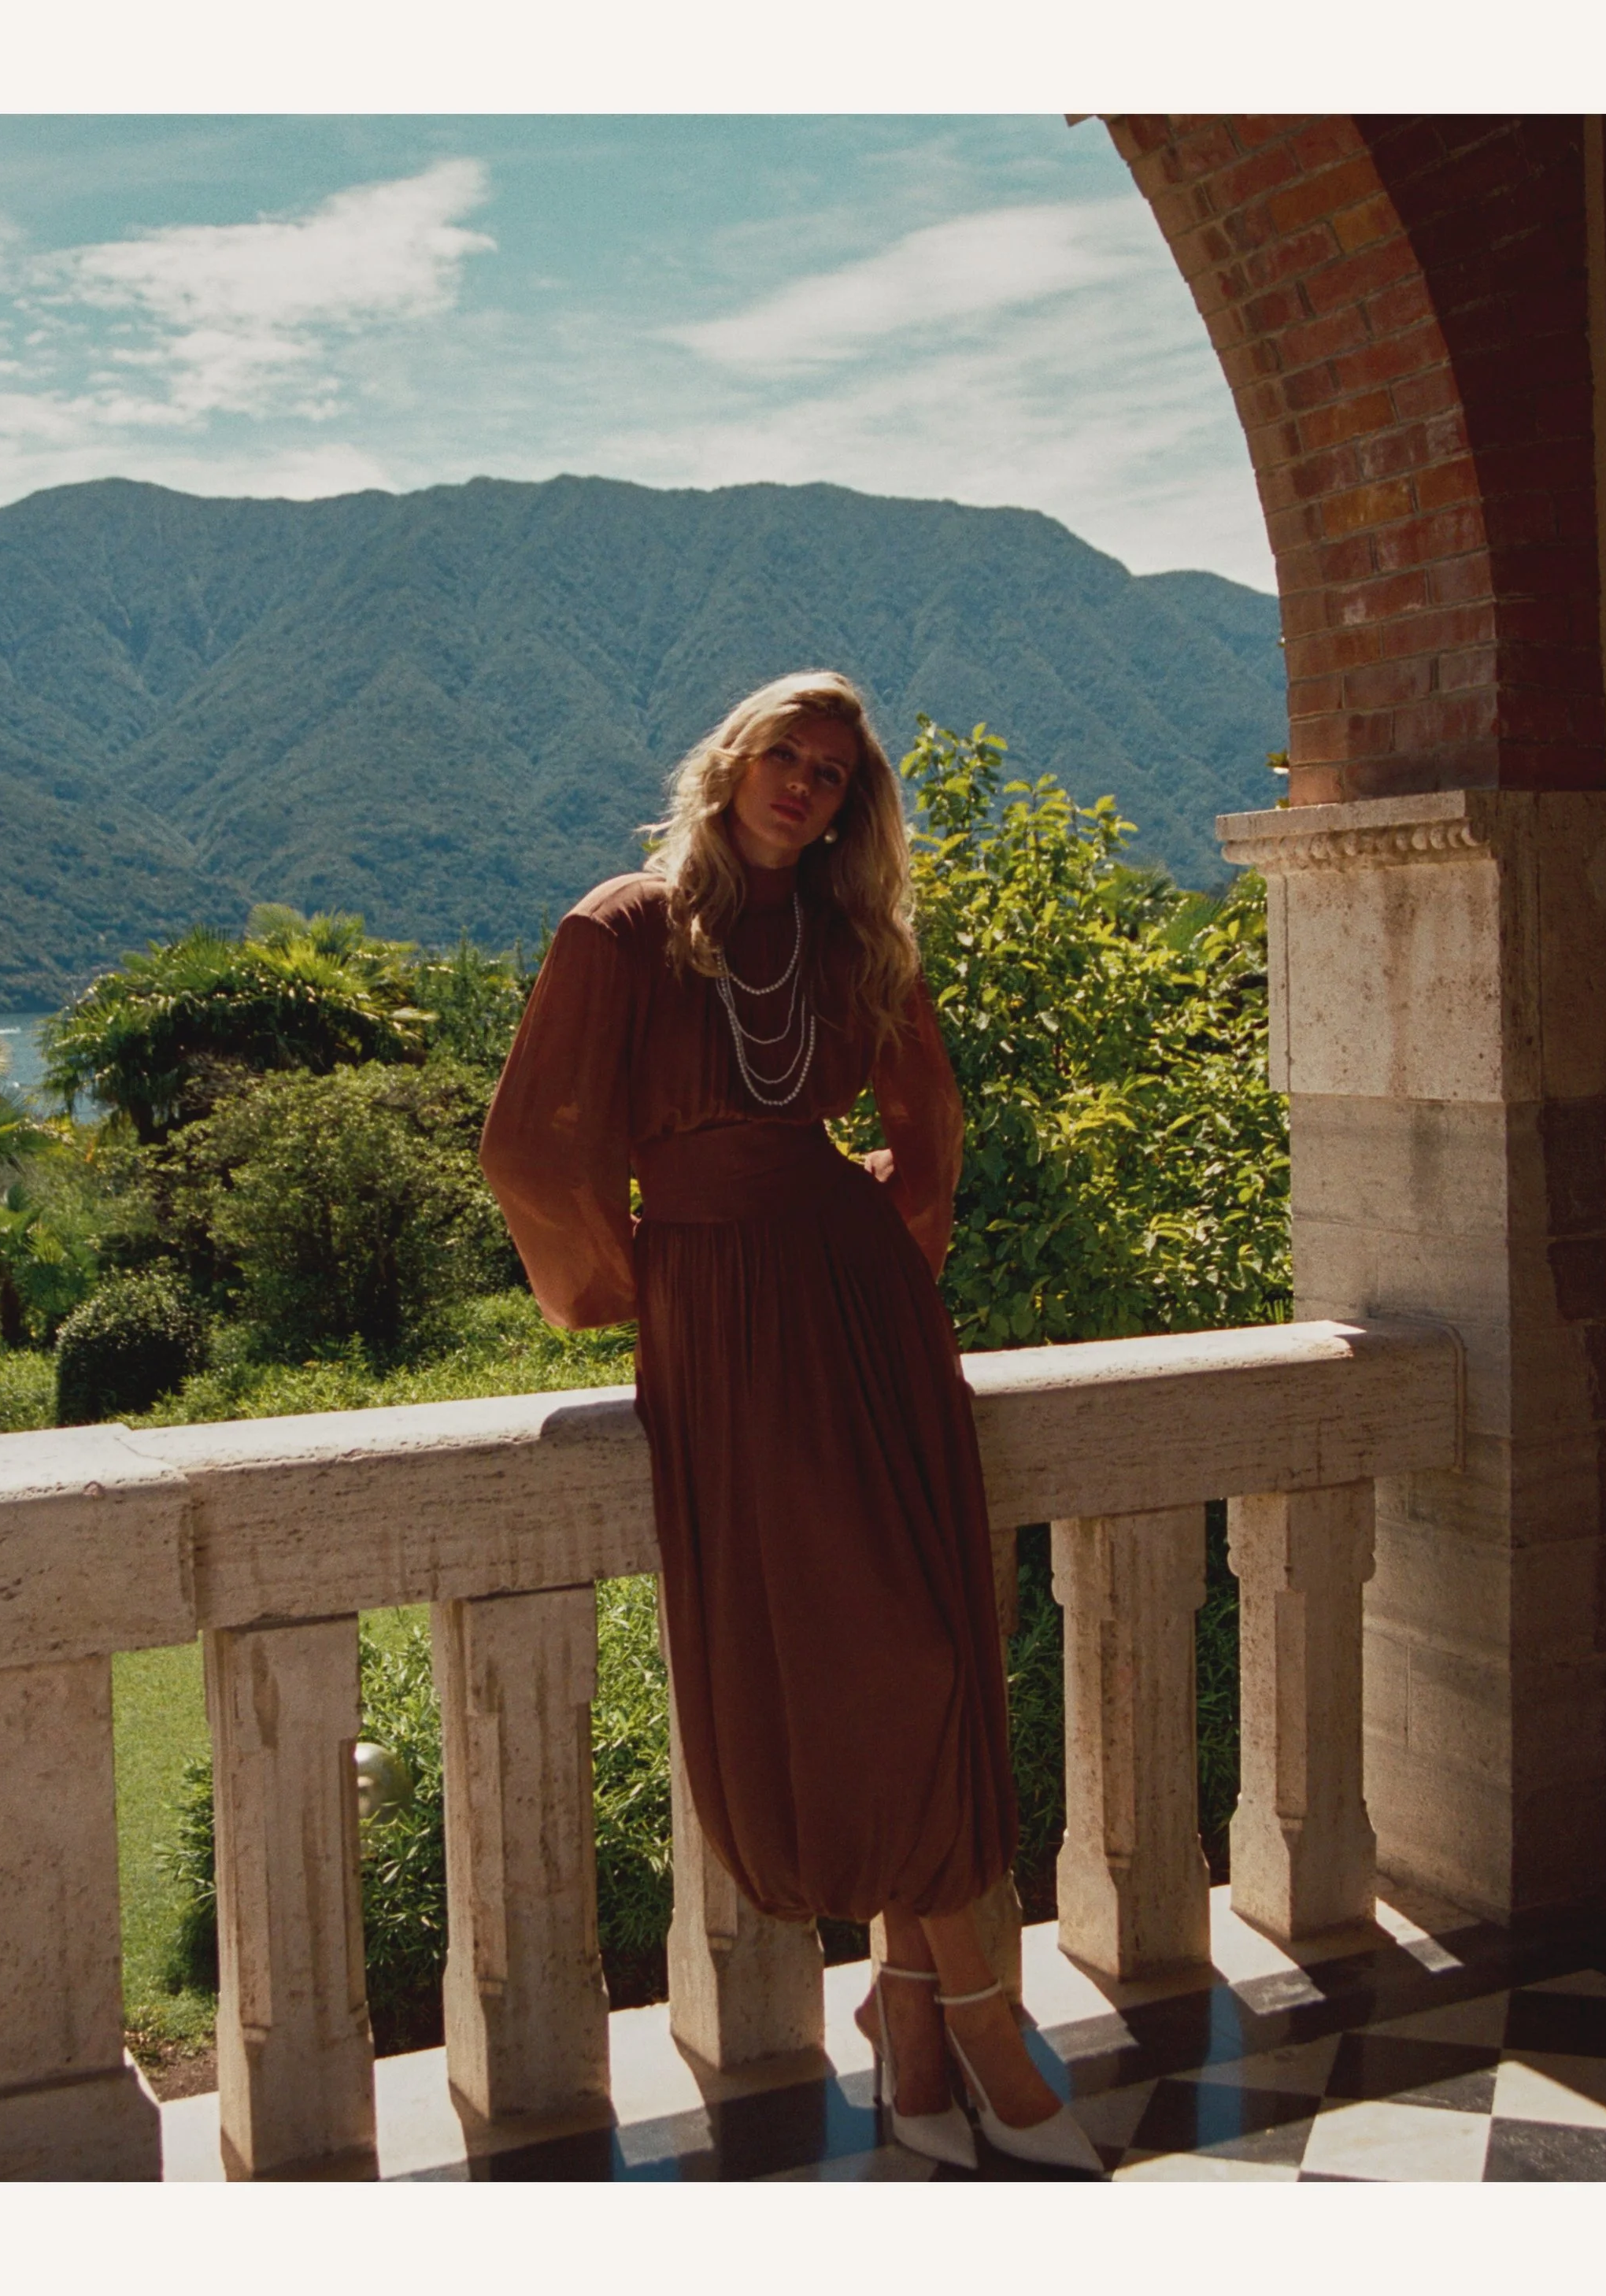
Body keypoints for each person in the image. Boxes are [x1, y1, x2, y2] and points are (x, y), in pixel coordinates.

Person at [479, 669, 1100, 2175]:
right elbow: (529, 1147)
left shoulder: (845, 934)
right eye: (786, 756)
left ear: (848, 807)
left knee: (929, 1645)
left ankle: (914, 2013)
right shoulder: (623, 926)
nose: (806, 786)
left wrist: (902, 1242)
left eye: (834, 774)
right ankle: (978, 2028)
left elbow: (927, 1113)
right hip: (726, 1322)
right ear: (730, 763)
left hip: (859, 1310)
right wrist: (652, 1288)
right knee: (857, 1658)